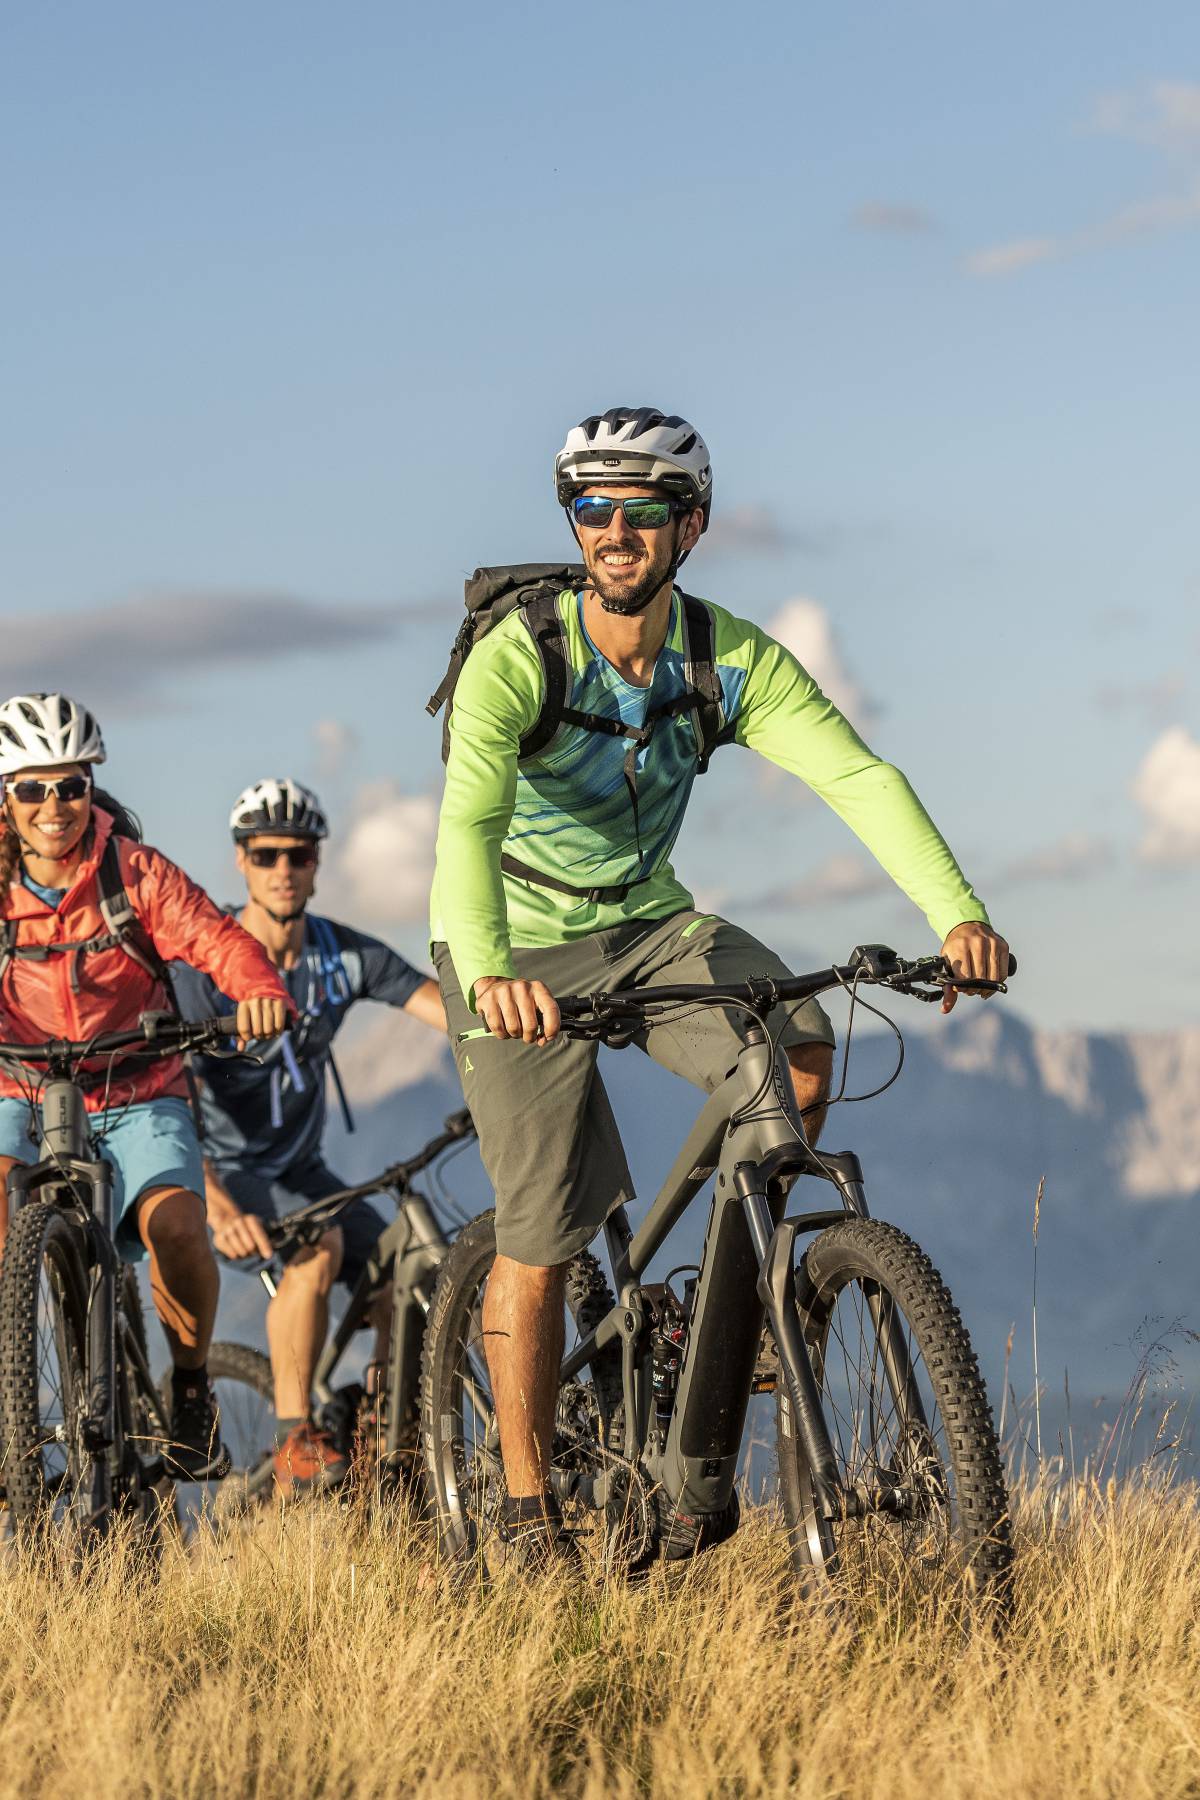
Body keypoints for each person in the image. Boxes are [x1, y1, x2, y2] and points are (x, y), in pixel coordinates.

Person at [430, 406, 1012, 1568]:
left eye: (640, 511)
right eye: (590, 510)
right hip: (515, 942)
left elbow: (854, 772)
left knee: (796, 1048)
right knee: (540, 1233)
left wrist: (955, 912)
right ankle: (528, 1498)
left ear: (689, 526)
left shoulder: (722, 656)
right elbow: (467, 826)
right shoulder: (520, 660)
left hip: (651, 921)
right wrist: (491, 970)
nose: (612, 533)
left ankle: (720, 1315)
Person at [0, 693, 291, 1477]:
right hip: (21, 1088)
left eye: (70, 786)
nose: (54, 806)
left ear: (91, 789)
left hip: (138, 1085)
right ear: (8, 799)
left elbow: (215, 937)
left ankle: (191, 1389)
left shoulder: (133, 873)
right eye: (32, 789)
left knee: (178, 1229)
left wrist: (258, 989)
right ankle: (10, 1400)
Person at [171, 777, 446, 1490]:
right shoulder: (206, 968)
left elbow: (444, 1009)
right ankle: (295, 1434)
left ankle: (387, 1425)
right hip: (227, 1176)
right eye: (266, 856)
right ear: (240, 861)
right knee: (317, 1248)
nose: (284, 870)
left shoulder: (340, 957)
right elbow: (161, 1091)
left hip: (305, 1169)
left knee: (407, 1270)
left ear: (319, 861)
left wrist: (518, 1029)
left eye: (298, 854)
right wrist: (216, 1204)